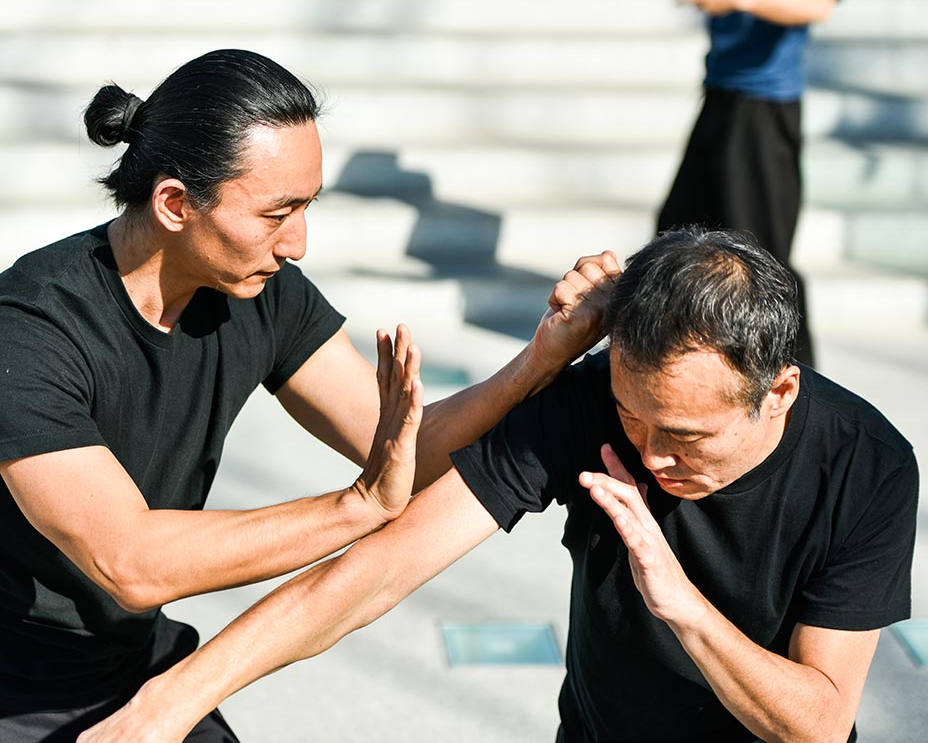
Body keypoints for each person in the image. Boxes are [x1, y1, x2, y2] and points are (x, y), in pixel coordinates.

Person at [0, 48, 617, 743]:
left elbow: (400, 452)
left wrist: (542, 356)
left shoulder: (262, 293)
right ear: (173, 202)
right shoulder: (22, 331)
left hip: (131, 661)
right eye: (275, 213)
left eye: (307, 208)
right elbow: (131, 561)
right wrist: (356, 506)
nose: (297, 242)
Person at [92, 228, 919, 743]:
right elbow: (373, 571)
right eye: (636, 417)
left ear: (777, 391)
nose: (653, 452)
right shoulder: (591, 404)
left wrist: (681, 603)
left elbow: (818, 721)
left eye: (688, 435)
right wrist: (170, 701)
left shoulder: (867, 465)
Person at [609, 0, 840, 367]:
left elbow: (819, 0)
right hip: (722, 94)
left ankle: (800, 381)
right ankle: (672, 359)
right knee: (676, 233)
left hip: (765, 104)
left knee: (763, 257)